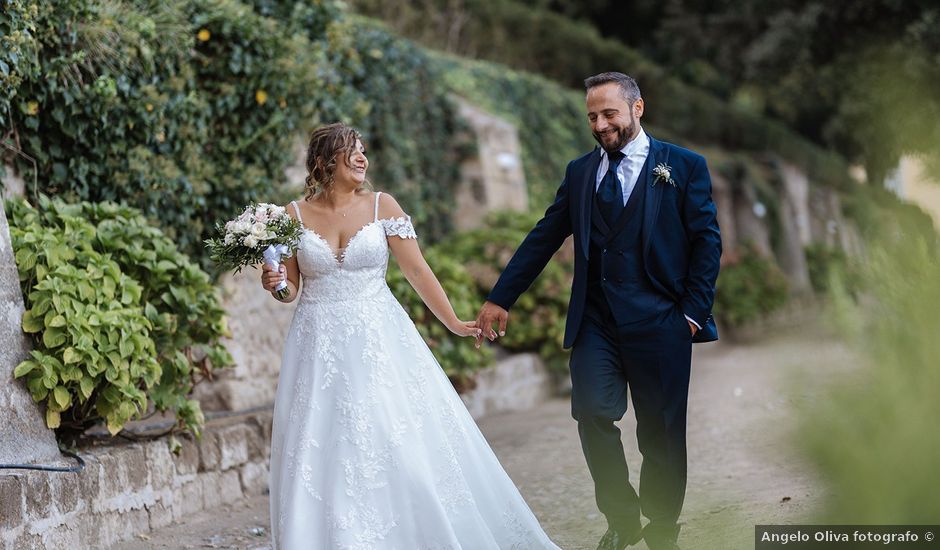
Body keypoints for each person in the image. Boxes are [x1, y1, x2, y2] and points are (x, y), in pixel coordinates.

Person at [260, 122, 560, 549]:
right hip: (317, 345)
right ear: (326, 161)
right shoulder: (292, 216)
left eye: (364, 150)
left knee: (391, 433)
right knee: (323, 443)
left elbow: (417, 271)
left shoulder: (383, 206)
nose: (363, 158)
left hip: (379, 340)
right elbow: (289, 290)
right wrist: (274, 283)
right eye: (352, 152)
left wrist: (454, 322)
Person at [475, 72, 722, 550]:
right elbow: (546, 235)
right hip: (597, 322)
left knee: (661, 432)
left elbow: (706, 241)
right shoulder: (580, 172)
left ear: (637, 109)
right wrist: (500, 296)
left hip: (661, 320)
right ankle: (622, 517)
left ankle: (663, 525)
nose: (600, 124)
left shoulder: (683, 165)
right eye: (592, 116)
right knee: (590, 413)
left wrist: (691, 313)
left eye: (609, 113)